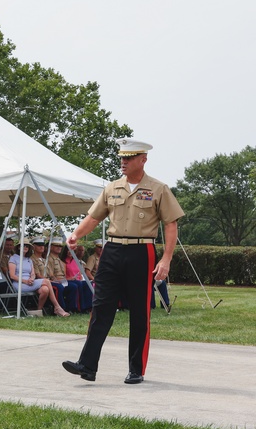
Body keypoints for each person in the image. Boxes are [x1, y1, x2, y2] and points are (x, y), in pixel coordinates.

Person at [63, 139, 185, 384]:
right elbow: (94, 217)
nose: (123, 162)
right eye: (122, 157)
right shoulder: (112, 188)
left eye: (129, 158)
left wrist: (167, 259)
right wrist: (76, 234)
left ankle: (136, 369)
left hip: (142, 253)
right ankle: (87, 365)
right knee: (101, 307)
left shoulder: (159, 189)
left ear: (143, 159)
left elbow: (171, 224)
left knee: (140, 311)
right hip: (112, 251)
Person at [8, 241, 69, 317]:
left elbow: (33, 273)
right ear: (18, 247)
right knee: (46, 281)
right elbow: (12, 276)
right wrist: (26, 281)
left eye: (27, 246)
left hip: (30, 282)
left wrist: (32, 279)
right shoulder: (13, 258)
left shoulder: (29, 259)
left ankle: (38, 311)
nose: (25, 247)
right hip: (19, 283)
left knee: (45, 290)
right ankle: (57, 307)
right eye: (23, 245)